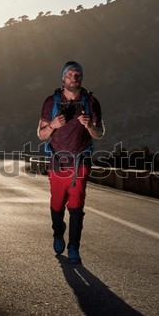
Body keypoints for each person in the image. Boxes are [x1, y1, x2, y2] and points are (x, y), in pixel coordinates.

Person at [37, 61, 104, 264]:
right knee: (57, 204)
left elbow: (99, 133)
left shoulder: (91, 102)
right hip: (58, 161)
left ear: (81, 78)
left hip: (80, 161)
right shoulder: (51, 102)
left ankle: (74, 247)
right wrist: (53, 125)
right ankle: (58, 233)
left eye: (78, 75)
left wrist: (90, 125)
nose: (74, 78)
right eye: (70, 75)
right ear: (63, 78)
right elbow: (41, 135)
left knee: (76, 205)